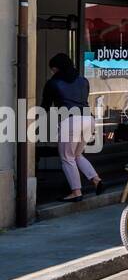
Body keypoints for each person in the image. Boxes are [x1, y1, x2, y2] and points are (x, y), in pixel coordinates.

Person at [41, 53, 102, 202]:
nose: (52, 72)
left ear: (57, 68)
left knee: (67, 158)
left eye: (53, 69)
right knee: (77, 155)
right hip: (88, 119)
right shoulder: (83, 80)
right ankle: (96, 180)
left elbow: (45, 107)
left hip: (70, 121)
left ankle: (76, 192)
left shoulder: (53, 83)